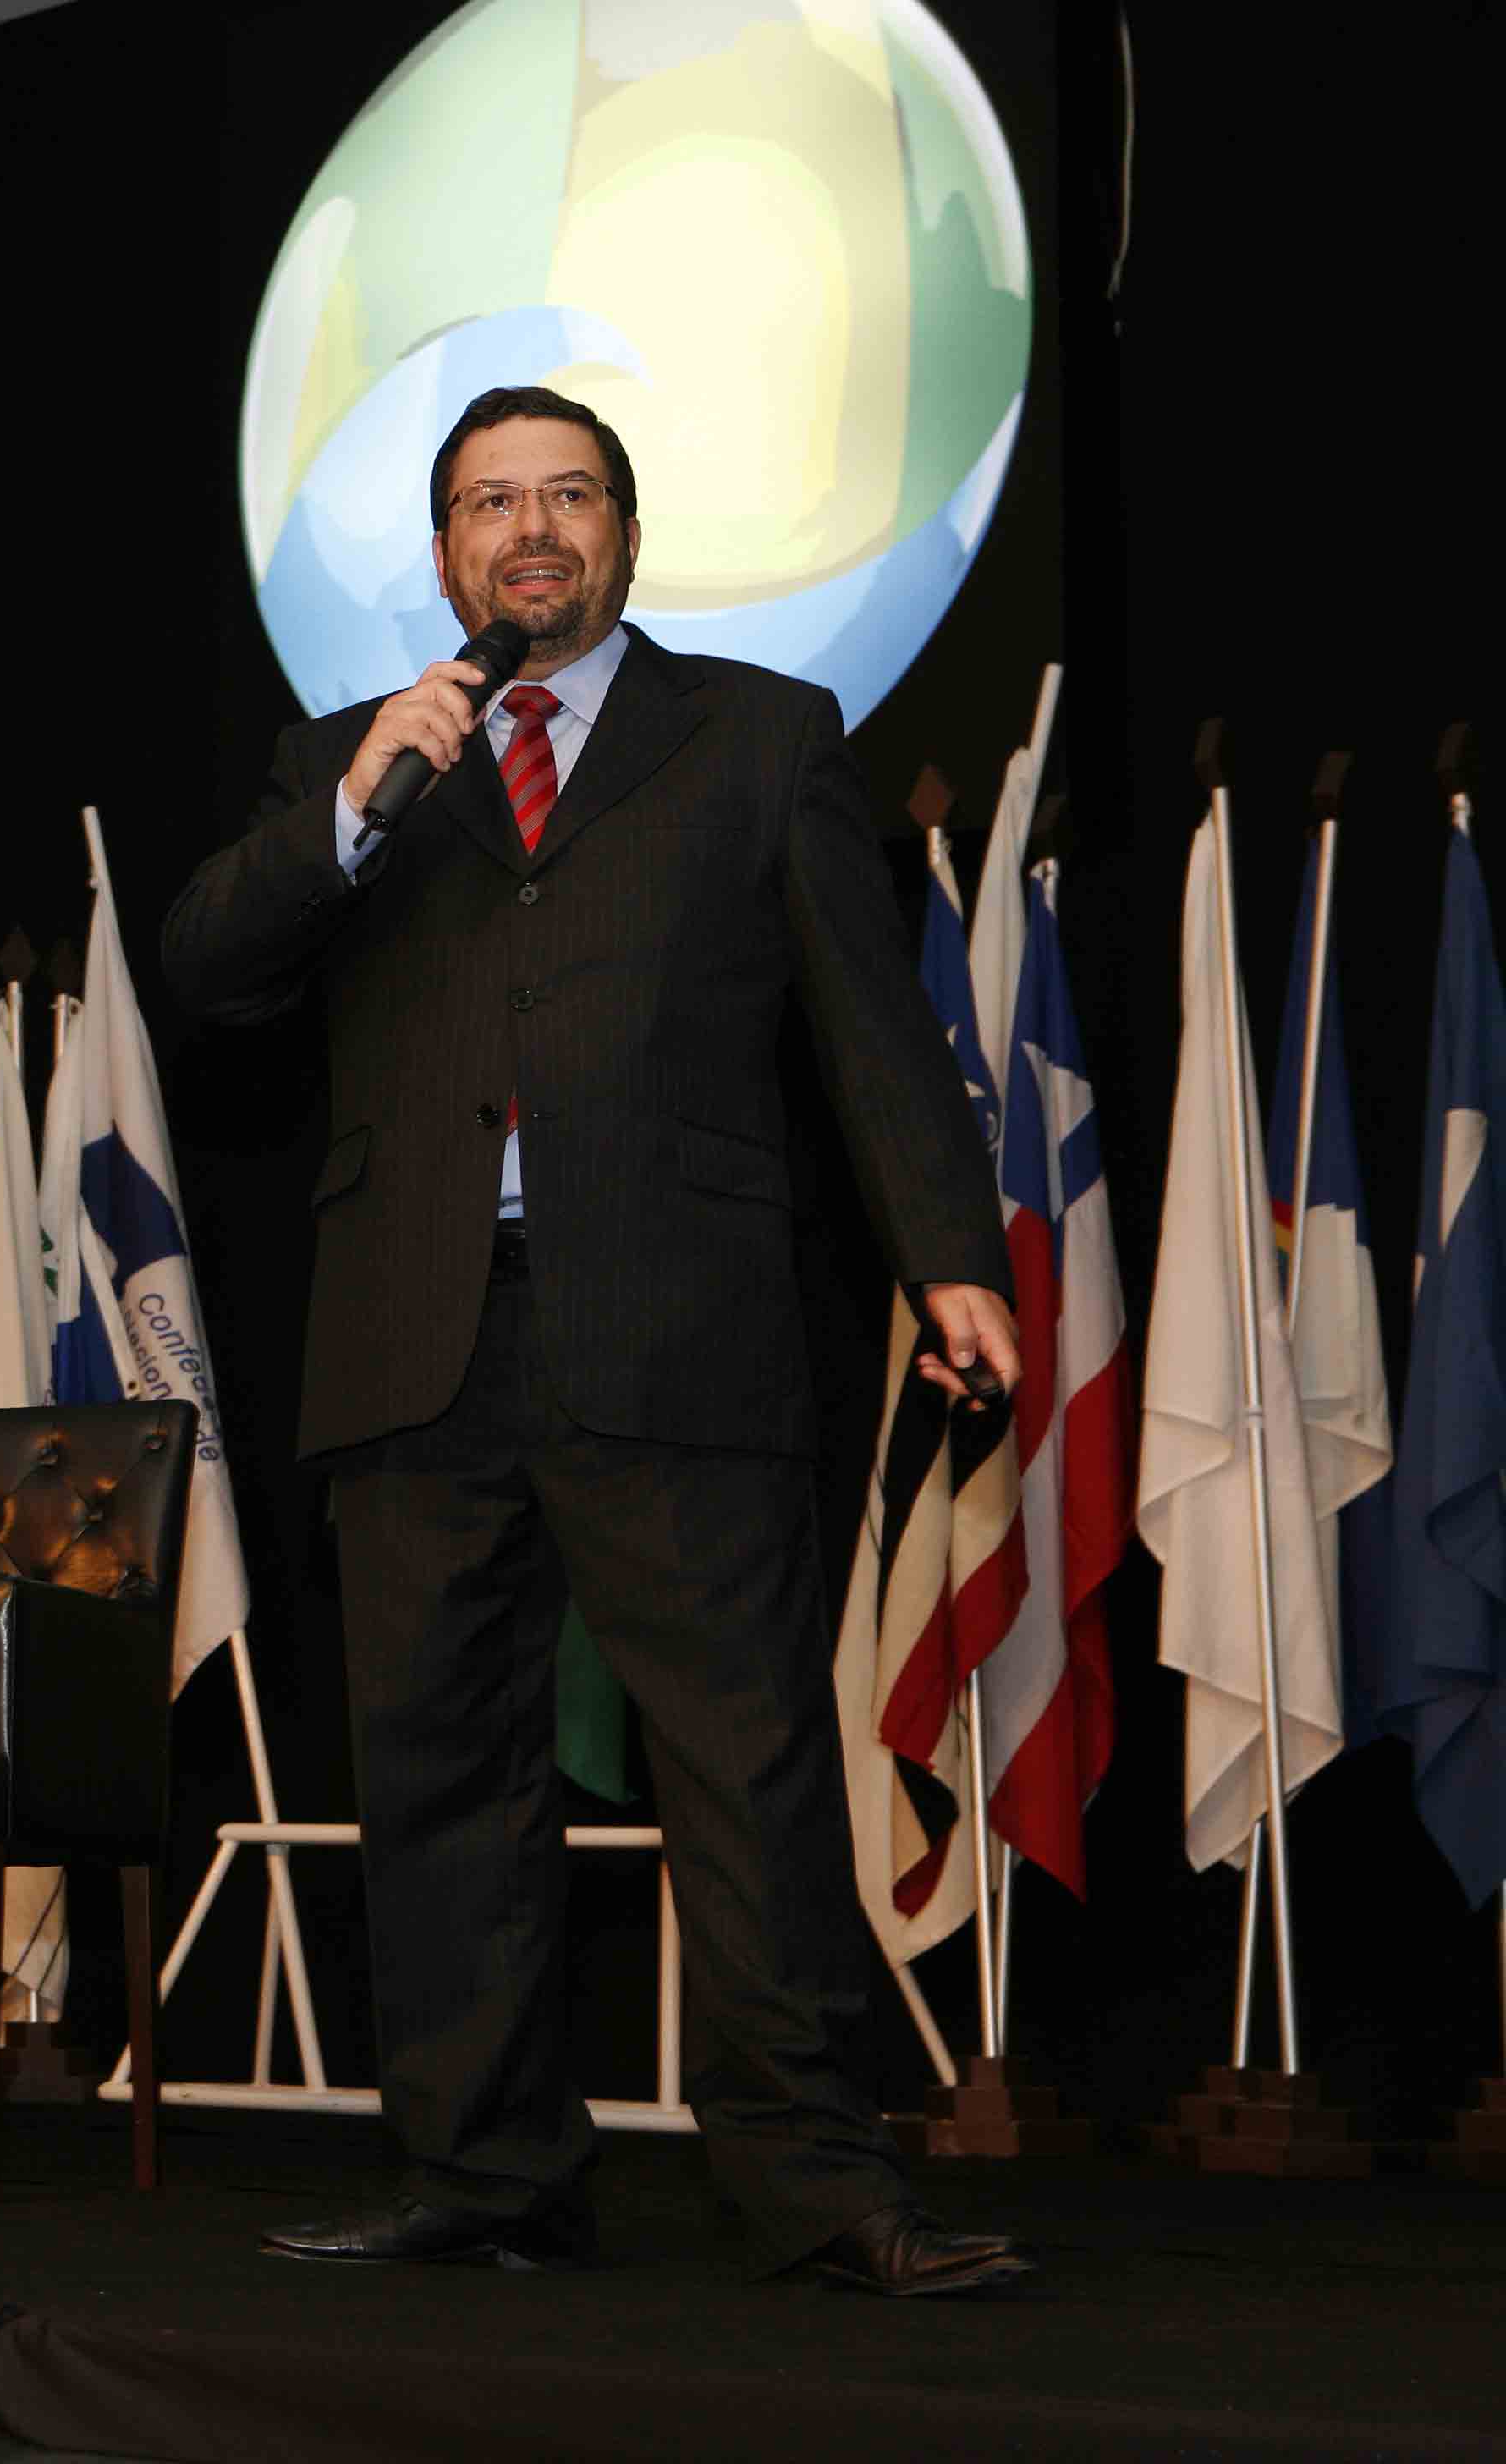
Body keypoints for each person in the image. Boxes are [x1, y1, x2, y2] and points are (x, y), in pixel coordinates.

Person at [159, 385, 1033, 2296]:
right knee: (440, 1779)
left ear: (628, 537)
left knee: (747, 1768)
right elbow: (208, 971)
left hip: (677, 1319)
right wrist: (352, 806)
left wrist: (945, 1255)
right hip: (413, 1335)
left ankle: (817, 2190)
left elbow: (866, 1020)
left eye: (568, 496)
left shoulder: (761, 735)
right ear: (445, 552)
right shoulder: (349, 761)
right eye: (491, 502)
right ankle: (483, 2181)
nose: (531, 530)